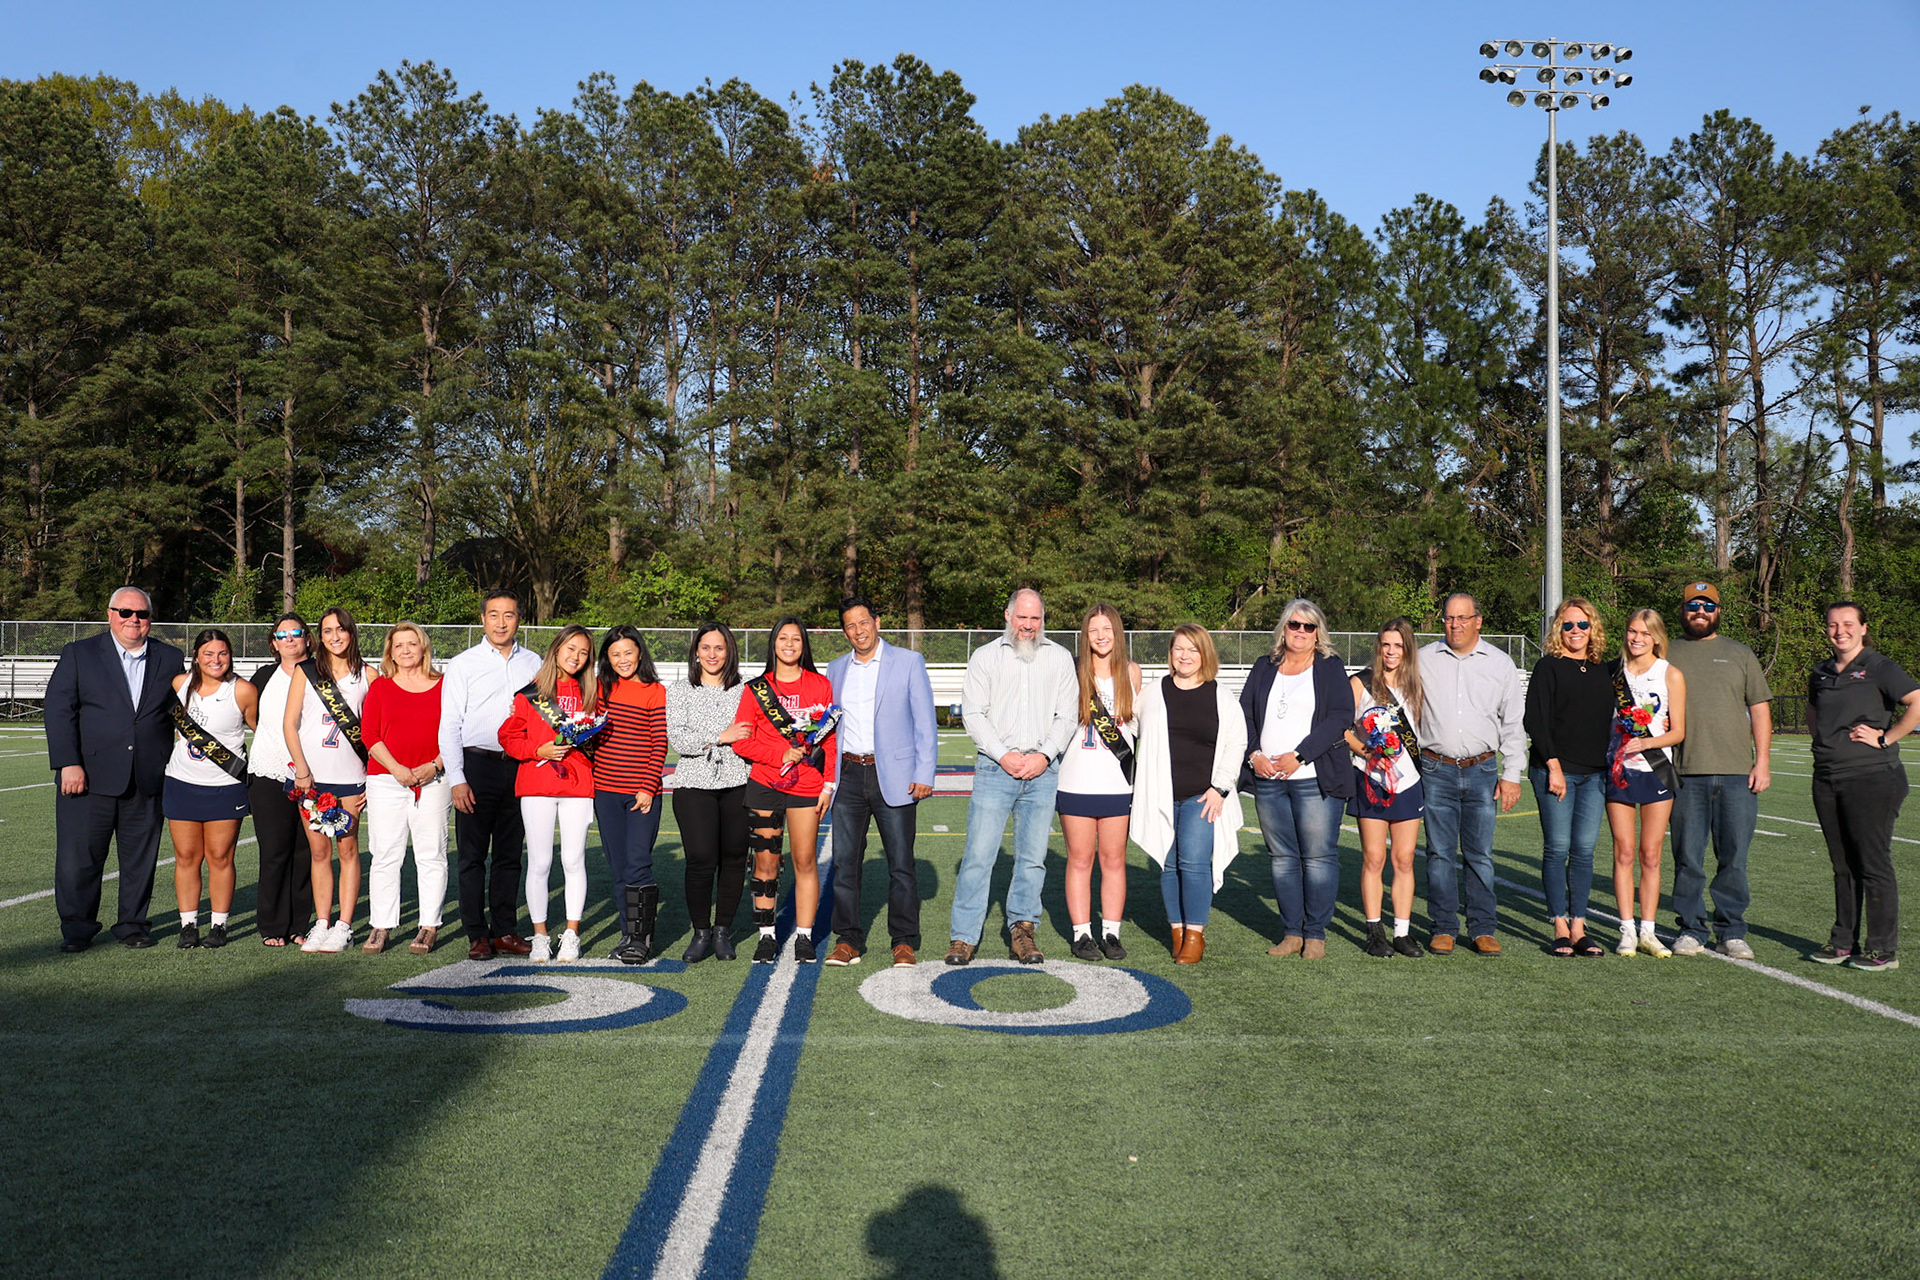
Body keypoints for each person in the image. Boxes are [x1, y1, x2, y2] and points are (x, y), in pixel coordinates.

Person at [45, 588, 184, 952]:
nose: (133, 620)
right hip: (87, 779)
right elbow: (59, 710)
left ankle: (133, 925)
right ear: (110, 614)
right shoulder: (79, 654)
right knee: (79, 861)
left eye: (141, 614)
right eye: (125, 612)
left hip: (147, 778)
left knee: (140, 861)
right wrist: (68, 763)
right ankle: (77, 929)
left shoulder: (170, 658)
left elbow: (183, 714)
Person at [947, 588, 1079, 966]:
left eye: (1035, 618)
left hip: (1042, 771)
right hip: (994, 767)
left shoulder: (1058, 658)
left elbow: (1067, 715)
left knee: (1033, 859)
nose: (1028, 625)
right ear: (1008, 615)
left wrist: (1043, 755)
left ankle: (1022, 931)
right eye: (1022, 617)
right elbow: (973, 714)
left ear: (1043, 619)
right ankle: (964, 937)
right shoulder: (985, 657)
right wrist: (1004, 756)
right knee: (978, 855)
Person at [824, 596, 937, 968]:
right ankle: (848, 939)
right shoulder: (836, 669)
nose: (858, 631)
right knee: (844, 862)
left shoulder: (907, 661)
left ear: (877, 621)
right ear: (845, 631)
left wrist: (924, 772)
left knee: (901, 864)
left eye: (863, 622)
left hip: (896, 775)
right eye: (850, 626)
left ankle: (903, 941)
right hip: (848, 775)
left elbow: (924, 721)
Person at [1806, 601, 1920, 972]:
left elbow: (1916, 701)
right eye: (1833, 624)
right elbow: (1813, 710)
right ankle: (1843, 941)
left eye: (1848, 624)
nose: (1840, 630)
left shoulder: (1879, 666)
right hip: (1827, 776)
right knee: (1842, 864)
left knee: (1873, 863)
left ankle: (1882, 948)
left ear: (1863, 627)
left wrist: (1886, 738)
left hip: (1872, 776)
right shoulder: (1821, 671)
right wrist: (1823, 740)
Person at [1242, 600, 1354, 959]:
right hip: (1269, 780)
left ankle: (1315, 933)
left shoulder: (1330, 667)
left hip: (1313, 778)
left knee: (1319, 857)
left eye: (1309, 626)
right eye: (1294, 625)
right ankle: (1292, 932)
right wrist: (1255, 754)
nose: (1301, 632)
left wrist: (1300, 756)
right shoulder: (1264, 666)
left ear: (1318, 631)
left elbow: (1340, 717)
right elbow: (1243, 713)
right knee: (1282, 859)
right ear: (1283, 628)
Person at [1665, 581, 1771, 959]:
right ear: (1682, 609)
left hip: (1737, 774)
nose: (1700, 611)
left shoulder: (1740, 654)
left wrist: (1763, 761)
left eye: (1707, 606)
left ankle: (1731, 931)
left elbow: (1759, 709)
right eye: (1693, 605)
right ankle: (1691, 929)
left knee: (1734, 857)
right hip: (1684, 772)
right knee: (1688, 858)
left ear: (1718, 611)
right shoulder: (1665, 652)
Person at [1417, 593, 1525, 956]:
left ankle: (1482, 928)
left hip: (1482, 770)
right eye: (1449, 618)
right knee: (1440, 854)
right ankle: (1444, 926)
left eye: (1463, 618)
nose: (1455, 625)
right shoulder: (1424, 659)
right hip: (1436, 768)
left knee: (1480, 854)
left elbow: (1513, 724)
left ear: (1478, 621)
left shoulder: (1500, 663)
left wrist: (1511, 774)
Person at [1133, 625, 1247, 963]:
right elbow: (1130, 727)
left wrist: (1221, 788)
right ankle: (1177, 931)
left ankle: (1195, 935)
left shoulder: (1220, 696)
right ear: (1170, 653)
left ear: (1205, 654)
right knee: (1168, 865)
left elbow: (1236, 743)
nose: (1184, 656)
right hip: (1161, 795)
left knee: (1194, 864)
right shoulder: (1153, 693)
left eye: (1192, 650)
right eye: (1178, 649)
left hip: (1203, 795)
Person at [439, 591, 542, 960]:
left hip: (519, 767)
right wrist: (457, 778)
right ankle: (476, 934)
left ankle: (504, 931)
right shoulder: (463, 664)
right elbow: (449, 724)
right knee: (471, 856)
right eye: (494, 615)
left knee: (510, 855)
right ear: (482, 618)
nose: (501, 622)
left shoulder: (535, 663)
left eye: (509, 615)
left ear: (519, 620)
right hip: (476, 767)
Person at [732, 618, 837, 964]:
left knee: (805, 861)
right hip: (764, 785)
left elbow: (830, 738)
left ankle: (804, 937)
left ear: (804, 645)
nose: (789, 644)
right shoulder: (755, 689)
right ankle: (766, 935)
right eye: (783, 638)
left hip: (806, 786)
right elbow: (742, 742)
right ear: (773, 644)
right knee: (766, 862)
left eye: (796, 639)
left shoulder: (820, 684)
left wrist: (828, 783)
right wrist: (779, 754)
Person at [499, 625, 598, 962]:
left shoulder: (594, 693)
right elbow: (508, 739)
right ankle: (540, 935)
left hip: (578, 785)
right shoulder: (529, 693)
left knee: (573, 860)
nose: (576, 657)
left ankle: (571, 933)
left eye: (583, 652)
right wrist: (538, 750)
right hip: (537, 785)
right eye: (571, 648)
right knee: (540, 862)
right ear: (557, 648)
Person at [1523, 598, 1614, 958]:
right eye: (1568, 625)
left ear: (1593, 629)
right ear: (1558, 629)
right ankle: (1559, 924)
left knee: (1584, 852)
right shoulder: (1548, 667)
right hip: (1554, 771)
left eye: (1582, 625)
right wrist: (1555, 766)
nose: (1575, 631)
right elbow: (1536, 721)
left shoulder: (1605, 671)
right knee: (1557, 848)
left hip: (1595, 775)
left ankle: (1579, 925)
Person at [1056, 604, 1142, 962]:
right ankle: (1081, 934)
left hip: (1117, 784)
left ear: (1117, 633)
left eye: (1107, 629)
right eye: (1094, 630)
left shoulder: (1132, 673)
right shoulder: (1073, 674)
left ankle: (1111, 931)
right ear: (1085, 636)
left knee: (1114, 860)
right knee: (1079, 859)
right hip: (1076, 781)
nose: (1101, 636)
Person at [163, 628, 257, 948]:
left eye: (223, 653)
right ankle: (188, 924)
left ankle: (219, 925)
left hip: (225, 785)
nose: (216, 660)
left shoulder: (243, 690)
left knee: (219, 857)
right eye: (208, 654)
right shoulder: (180, 684)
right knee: (186, 856)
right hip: (182, 783)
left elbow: (263, 731)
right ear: (197, 657)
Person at [285, 607, 372, 954]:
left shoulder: (369, 675)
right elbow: (289, 724)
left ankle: (344, 926)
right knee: (319, 852)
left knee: (347, 849)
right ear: (318, 637)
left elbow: (378, 731)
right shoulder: (306, 672)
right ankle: (322, 922)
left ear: (351, 633)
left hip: (351, 779)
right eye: (326, 631)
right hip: (312, 781)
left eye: (341, 630)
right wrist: (302, 771)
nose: (334, 636)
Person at [360, 621, 449, 955]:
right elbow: (370, 734)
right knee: (385, 854)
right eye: (399, 645)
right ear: (390, 652)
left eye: (412, 644)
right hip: (387, 780)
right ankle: (380, 925)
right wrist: (396, 769)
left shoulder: (444, 685)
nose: (406, 650)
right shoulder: (381, 688)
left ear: (423, 647)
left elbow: (454, 732)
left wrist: (435, 765)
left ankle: (428, 925)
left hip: (433, 778)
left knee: (431, 855)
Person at [667, 623, 752, 962]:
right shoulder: (678, 690)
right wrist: (721, 736)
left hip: (738, 781)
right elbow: (680, 740)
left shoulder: (745, 689)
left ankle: (722, 932)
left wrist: (712, 735)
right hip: (693, 784)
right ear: (696, 652)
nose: (713, 654)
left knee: (733, 859)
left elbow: (749, 735)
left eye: (719, 648)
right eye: (706, 648)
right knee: (701, 858)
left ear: (729, 651)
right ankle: (700, 931)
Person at [1605, 609, 1687, 957]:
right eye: (1631, 631)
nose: (1636, 638)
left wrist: (1647, 743)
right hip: (1619, 771)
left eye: (1644, 632)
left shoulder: (1671, 674)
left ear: (1656, 637)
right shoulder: (1612, 672)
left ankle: (1649, 931)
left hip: (1656, 769)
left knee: (1650, 854)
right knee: (1623, 851)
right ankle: (1626, 929)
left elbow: (1678, 731)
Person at [1343, 617, 1427, 958]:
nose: (1391, 652)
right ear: (1378, 647)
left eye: (1398, 645)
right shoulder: (1360, 683)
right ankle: (1374, 931)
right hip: (1372, 779)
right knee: (1374, 858)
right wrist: (1367, 752)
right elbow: (1342, 728)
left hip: (1408, 781)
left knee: (1404, 859)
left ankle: (1402, 933)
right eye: (1386, 645)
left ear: (1407, 649)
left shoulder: (1418, 684)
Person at [592, 625, 668, 962]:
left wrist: (648, 787)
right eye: (615, 654)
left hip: (641, 794)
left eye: (628, 652)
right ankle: (627, 935)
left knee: (638, 864)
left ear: (640, 653)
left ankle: (642, 939)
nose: (623, 659)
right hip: (605, 791)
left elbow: (659, 743)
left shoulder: (655, 691)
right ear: (606, 658)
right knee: (619, 867)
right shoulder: (598, 689)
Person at [248, 614, 314, 947]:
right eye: (282, 634)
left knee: (305, 852)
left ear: (307, 639)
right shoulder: (262, 677)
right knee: (274, 851)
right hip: (269, 772)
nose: (290, 639)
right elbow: (249, 717)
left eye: (296, 633)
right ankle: (272, 925)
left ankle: (299, 924)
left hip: (313, 775)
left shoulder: (322, 674)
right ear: (274, 643)